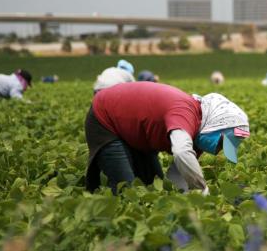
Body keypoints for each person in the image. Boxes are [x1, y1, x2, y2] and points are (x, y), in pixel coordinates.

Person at [85, 82, 250, 194]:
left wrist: (187, 199)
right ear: (216, 125)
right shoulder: (186, 112)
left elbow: (177, 177)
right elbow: (181, 152)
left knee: (154, 185)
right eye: (221, 143)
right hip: (105, 118)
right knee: (125, 189)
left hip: (136, 135)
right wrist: (201, 190)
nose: (218, 150)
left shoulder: (198, 138)